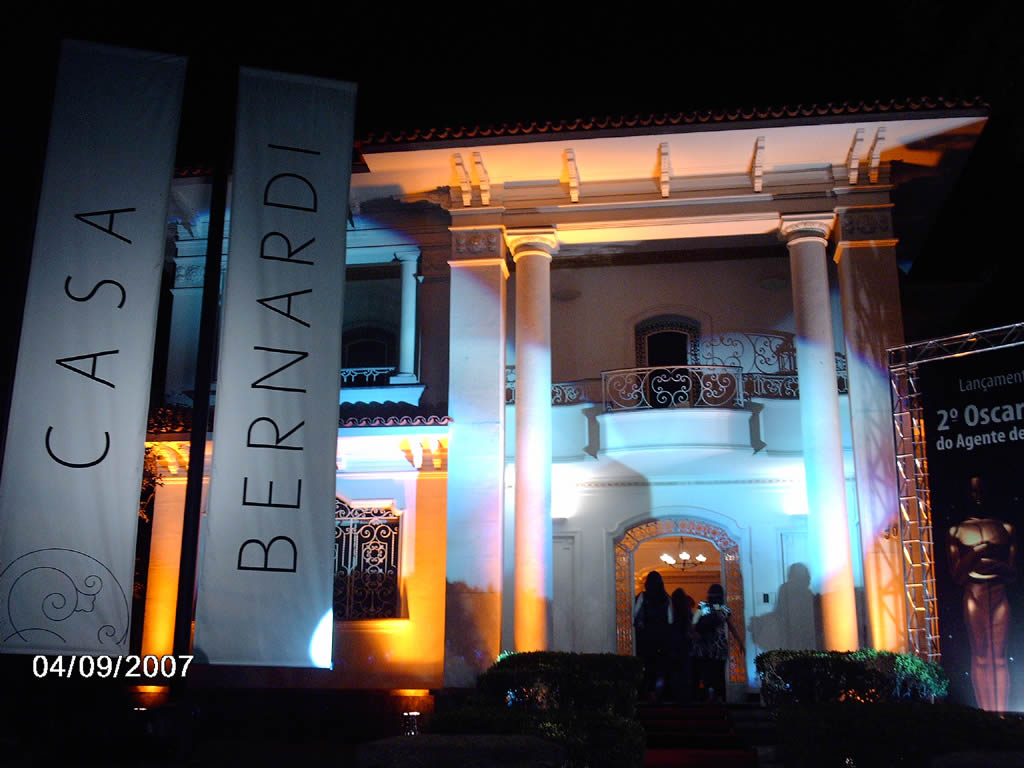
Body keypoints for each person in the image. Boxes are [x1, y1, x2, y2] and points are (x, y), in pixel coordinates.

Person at [691, 583, 742, 703]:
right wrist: (739, 642)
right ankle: (719, 696)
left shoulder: (703, 606)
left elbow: (694, 623)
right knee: (719, 672)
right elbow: (731, 627)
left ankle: (709, 692)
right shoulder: (724, 609)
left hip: (705, 645)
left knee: (707, 671)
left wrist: (693, 636)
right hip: (720, 646)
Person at [633, 570, 672, 701]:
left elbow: (634, 614)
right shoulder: (666, 598)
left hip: (644, 638)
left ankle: (646, 692)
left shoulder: (642, 597)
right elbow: (670, 619)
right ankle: (657, 693)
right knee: (659, 666)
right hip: (662, 638)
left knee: (645, 665)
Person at [668, 588, 693, 703]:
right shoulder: (687, 612)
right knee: (685, 671)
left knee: (674, 671)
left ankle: (675, 695)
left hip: (673, 644)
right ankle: (685, 696)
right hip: (685, 645)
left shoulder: (671, 611)